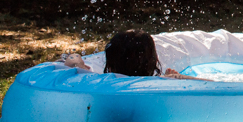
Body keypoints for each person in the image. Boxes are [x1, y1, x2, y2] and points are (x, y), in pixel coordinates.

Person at [63, 29, 201, 79]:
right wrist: (180, 77)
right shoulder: (158, 82)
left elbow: (71, 61)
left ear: (109, 63)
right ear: (153, 62)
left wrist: (79, 64)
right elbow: (213, 85)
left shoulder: (103, 81)